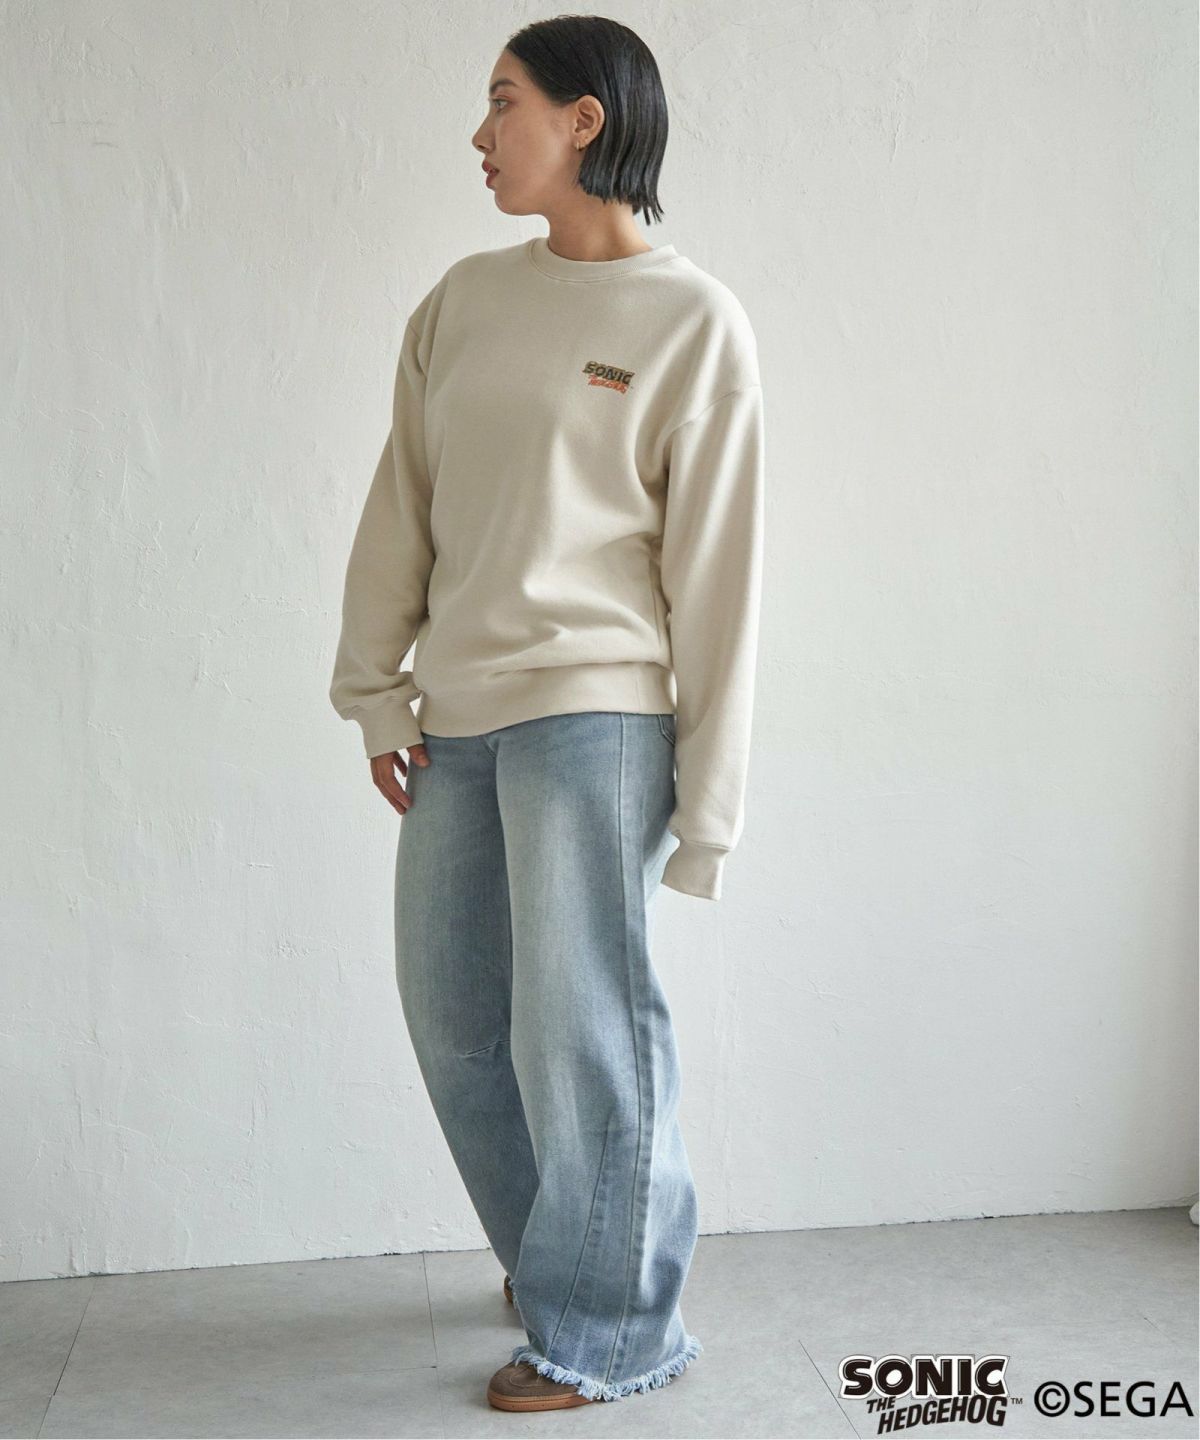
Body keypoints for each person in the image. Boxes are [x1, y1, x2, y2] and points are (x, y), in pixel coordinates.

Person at [328, 14, 765, 1413]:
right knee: (457, 1019)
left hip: (598, 720)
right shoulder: (463, 302)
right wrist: (374, 690)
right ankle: (562, 1258)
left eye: (504, 102)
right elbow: (403, 504)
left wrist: (710, 810)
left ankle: (614, 1327)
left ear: (586, 120)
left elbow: (718, 581)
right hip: (457, 717)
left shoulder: (691, 322)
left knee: (582, 1035)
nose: (480, 133)